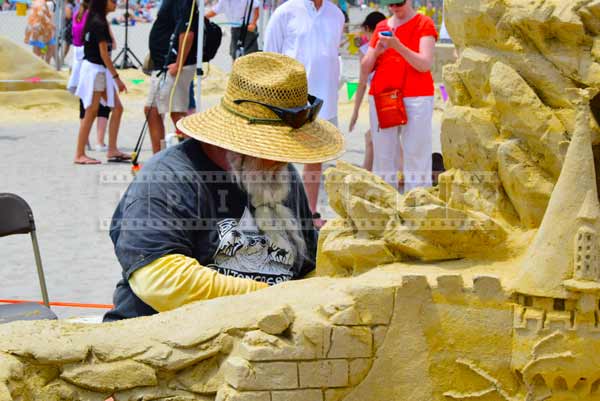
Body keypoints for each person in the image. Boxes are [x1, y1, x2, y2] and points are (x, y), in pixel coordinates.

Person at [103, 52, 344, 321]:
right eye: (275, 147)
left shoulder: (280, 174)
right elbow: (160, 279)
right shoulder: (167, 178)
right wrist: (273, 298)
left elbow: (306, 263)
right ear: (238, 139)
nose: (284, 159)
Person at [263, 0, 344, 227]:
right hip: (288, 99)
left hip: (324, 100)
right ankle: (271, 212)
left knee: (316, 158)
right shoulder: (285, 11)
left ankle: (310, 212)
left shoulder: (336, 15)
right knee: (277, 157)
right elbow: (270, 57)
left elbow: (333, 56)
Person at [361, 0, 437, 192]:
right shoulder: (381, 26)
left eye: (399, 3)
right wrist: (376, 51)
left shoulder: (424, 23)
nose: (395, 8)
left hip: (416, 95)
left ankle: (417, 207)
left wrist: (398, 45)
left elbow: (424, 64)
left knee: (417, 154)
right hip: (383, 95)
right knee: (384, 157)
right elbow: (364, 68)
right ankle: (387, 207)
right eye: (391, 4)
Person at [74, 0, 129, 164]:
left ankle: (112, 149)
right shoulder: (98, 22)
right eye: (113, 1)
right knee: (91, 111)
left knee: (117, 109)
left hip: (98, 70)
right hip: (95, 71)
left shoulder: (96, 19)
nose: (116, 4)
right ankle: (79, 154)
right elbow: (104, 54)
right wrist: (117, 77)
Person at [144, 0, 199, 154]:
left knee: (177, 114)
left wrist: (179, 63)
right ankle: (159, 156)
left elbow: (187, 32)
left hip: (173, 66)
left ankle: (195, 158)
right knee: (152, 110)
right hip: (164, 65)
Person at [67, 0, 112, 151]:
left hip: (80, 60)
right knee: (97, 107)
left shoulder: (78, 16)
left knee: (87, 104)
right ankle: (98, 142)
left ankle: (85, 141)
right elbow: (106, 47)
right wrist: (116, 76)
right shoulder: (96, 19)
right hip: (94, 65)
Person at [349, 11, 386, 172]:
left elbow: (362, 83)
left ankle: (367, 173)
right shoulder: (385, 47)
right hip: (383, 100)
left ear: (369, 28)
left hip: (384, 101)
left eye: (365, 30)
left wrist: (355, 111)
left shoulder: (367, 51)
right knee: (371, 138)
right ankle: (367, 172)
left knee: (374, 138)